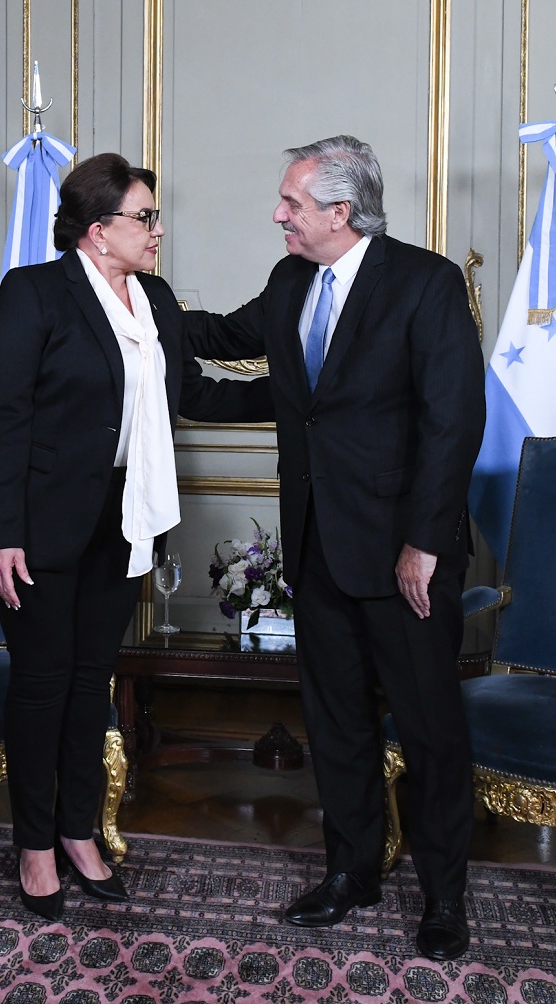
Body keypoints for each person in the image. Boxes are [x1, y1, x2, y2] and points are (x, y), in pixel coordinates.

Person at [182, 136, 485, 959]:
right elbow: (220, 332)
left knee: (428, 731)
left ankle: (444, 896)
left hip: (404, 558)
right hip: (318, 548)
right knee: (337, 722)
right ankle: (352, 871)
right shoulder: (290, 281)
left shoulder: (425, 284)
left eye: (292, 202)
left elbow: (454, 423)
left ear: (341, 211)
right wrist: (128, 293)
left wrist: (425, 543)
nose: (278, 214)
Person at [0, 152, 265, 919]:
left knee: (91, 680)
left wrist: (299, 396)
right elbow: (3, 420)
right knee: (41, 683)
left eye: (155, 216)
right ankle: (34, 844)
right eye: (145, 217)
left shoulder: (153, 298)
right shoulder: (33, 293)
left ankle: (79, 831)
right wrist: (3, 535)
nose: (157, 230)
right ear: (98, 231)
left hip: (124, 519)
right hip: (37, 522)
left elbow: (188, 392)